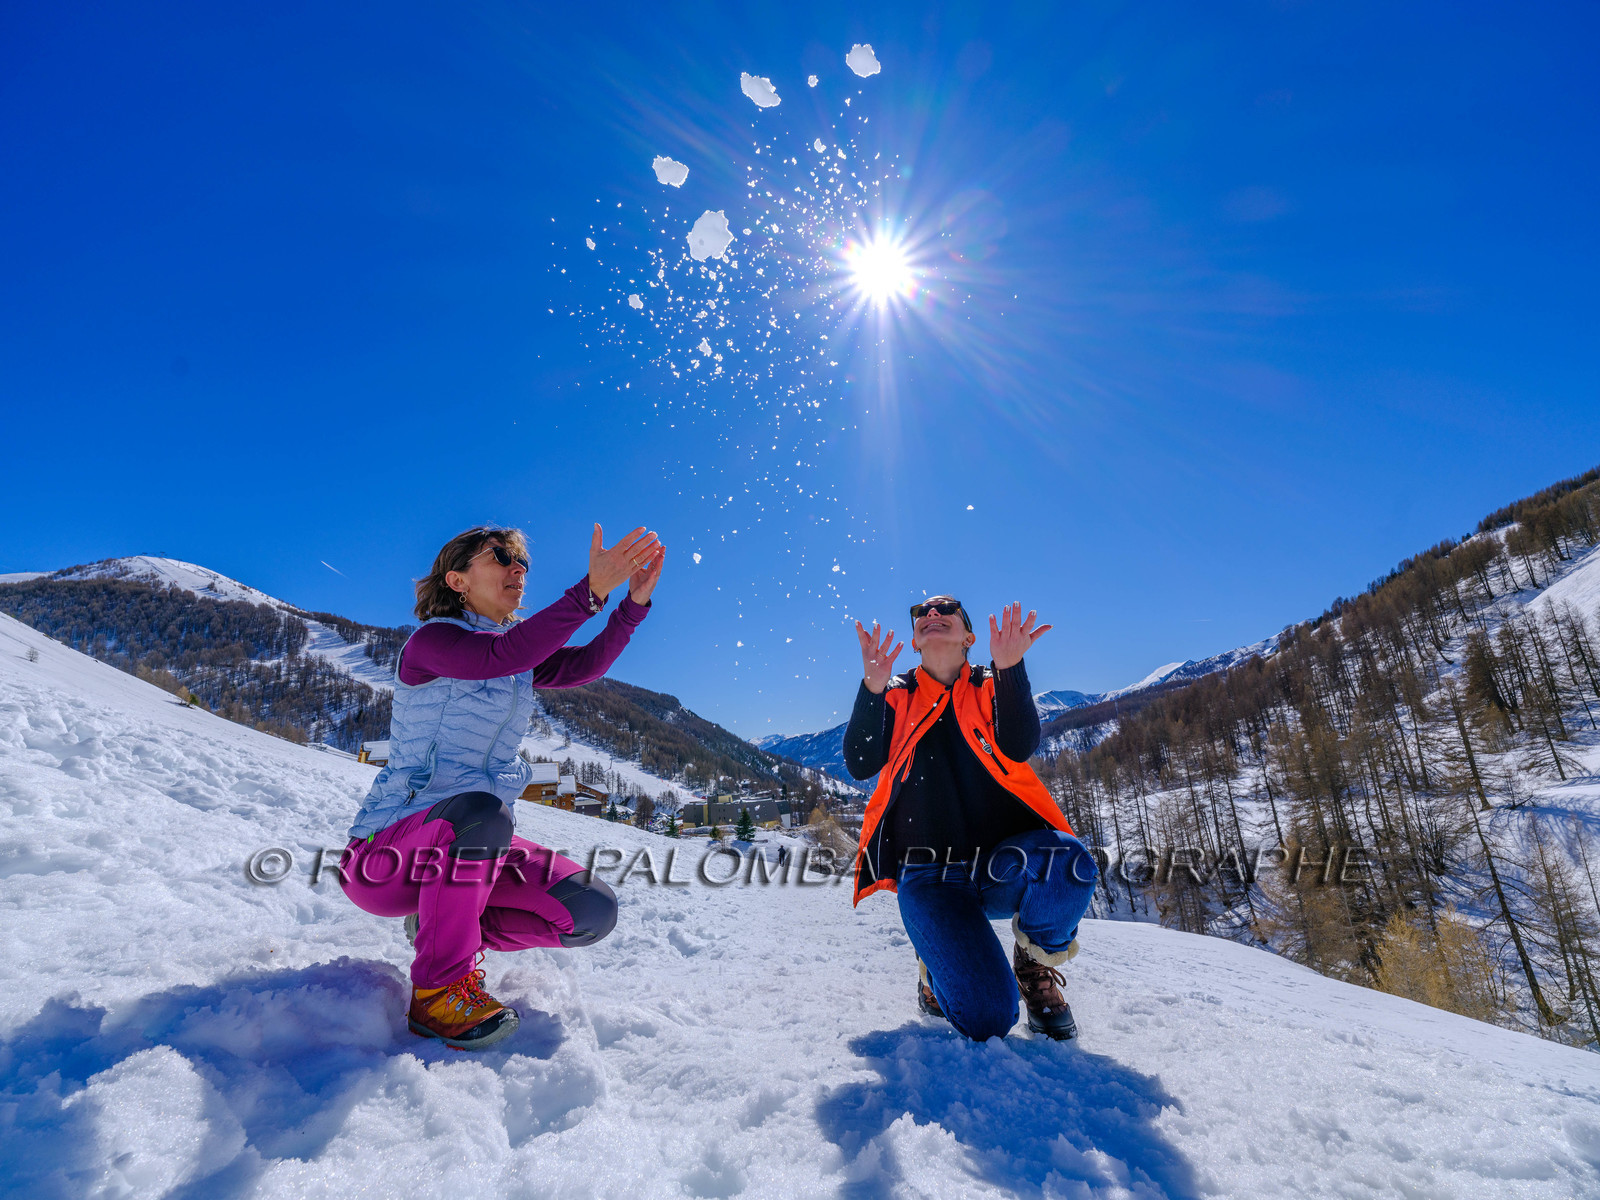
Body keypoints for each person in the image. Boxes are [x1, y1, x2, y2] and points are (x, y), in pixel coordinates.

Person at [341, 523, 663, 1050]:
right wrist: (589, 594)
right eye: (501, 556)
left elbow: (583, 665)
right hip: (386, 857)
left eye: (523, 562)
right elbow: (501, 656)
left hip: (471, 847)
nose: (519, 569)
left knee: (589, 911)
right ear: (458, 580)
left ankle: (443, 925)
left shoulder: (515, 658)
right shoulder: (434, 642)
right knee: (482, 811)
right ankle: (438, 993)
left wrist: (632, 605)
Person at [844, 596, 1098, 1042]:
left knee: (1069, 863)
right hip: (928, 877)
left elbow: (1019, 745)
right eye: (921, 614)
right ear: (915, 642)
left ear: (969, 637)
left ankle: (1033, 960)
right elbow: (861, 762)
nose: (931, 615)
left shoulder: (988, 685)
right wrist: (871, 689)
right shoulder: (897, 694)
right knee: (988, 1018)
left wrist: (1010, 669)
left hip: (1000, 865)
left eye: (946, 611)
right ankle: (934, 970)